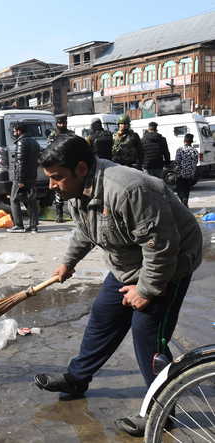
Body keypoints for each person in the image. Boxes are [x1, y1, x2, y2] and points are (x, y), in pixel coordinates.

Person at [34, 135, 202, 437]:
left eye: (57, 178)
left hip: (170, 263)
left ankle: (160, 411)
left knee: (147, 333)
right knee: (103, 315)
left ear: (81, 168)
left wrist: (146, 290)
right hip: (128, 261)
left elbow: (161, 247)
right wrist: (68, 263)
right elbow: (85, 231)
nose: (52, 185)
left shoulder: (128, 189)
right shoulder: (76, 191)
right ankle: (77, 378)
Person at [7, 123, 40, 233]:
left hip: (21, 177)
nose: (14, 133)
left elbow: (20, 163)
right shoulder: (34, 142)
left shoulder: (21, 142)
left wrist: (20, 180)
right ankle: (33, 226)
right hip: (32, 176)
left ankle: (18, 225)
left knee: (14, 199)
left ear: (19, 131)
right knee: (31, 201)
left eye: (15, 131)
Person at [47, 115, 75, 223]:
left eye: (64, 123)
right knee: (58, 190)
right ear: (57, 124)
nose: (62, 125)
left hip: (69, 165)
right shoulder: (53, 135)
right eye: (60, 123)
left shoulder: (71, 134)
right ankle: (59, 215)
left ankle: (74, 213)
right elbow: (49, 150)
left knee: (72, 189)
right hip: (57, 166)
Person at [174, 133, 199, 207]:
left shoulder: (180, 149)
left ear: (184, 140)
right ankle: (185, 201)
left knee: (180, 189)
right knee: (187, 189)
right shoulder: (195, 151)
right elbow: (196, 162)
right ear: (191, 141)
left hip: (181, 173)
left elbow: (177, 161)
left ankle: (183, 201)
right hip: (190, 174)